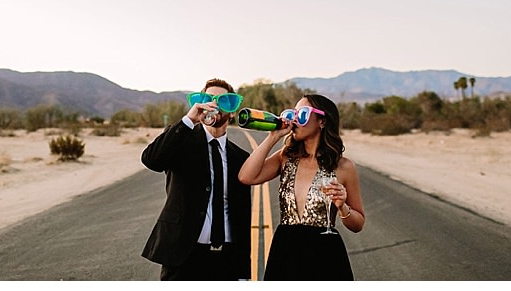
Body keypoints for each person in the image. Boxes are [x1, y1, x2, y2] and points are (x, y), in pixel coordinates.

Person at [238, 94, 365, 281]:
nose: (295, 119)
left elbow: (358, 224)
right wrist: (274, 136)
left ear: (322, 121)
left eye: (302, 114)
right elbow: (246, 176)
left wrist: (342, 206)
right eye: (293, 113)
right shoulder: (286, 157)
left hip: (325, 255)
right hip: (285, 250)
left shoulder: (344, 167)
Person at [141, 78, 252, 280]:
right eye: (208, 99)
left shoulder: (241, 158)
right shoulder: (181, 141)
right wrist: (189, 120)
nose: (215, 105)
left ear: (233, 110)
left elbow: (242, 218)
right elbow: (151, 160)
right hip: (184, 257)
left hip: (226, 260)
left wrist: (244, 273)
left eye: (223, 101)